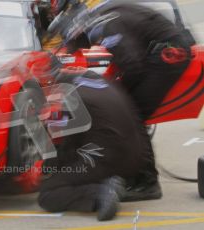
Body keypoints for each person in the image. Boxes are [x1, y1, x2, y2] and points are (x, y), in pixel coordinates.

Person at [43, 0, 194, 201]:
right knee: (123, 105)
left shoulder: (102, 26)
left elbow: (132, 65)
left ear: (77, 29)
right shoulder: (99, 15)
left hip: (168, 53)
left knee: (132, 113)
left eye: (72, 39)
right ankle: (133, 172)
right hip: (159, 48)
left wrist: (114, 94)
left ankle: (147, 183)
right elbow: (124, 55)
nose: (73, 45)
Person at [38, 69, 151, 221]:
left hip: (106, 159)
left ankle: (100, 194)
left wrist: (48, 168)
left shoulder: (69, 98)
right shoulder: (105, 83)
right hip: (136, 158)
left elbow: (66, 143)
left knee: (48, 194)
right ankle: (107, 181)